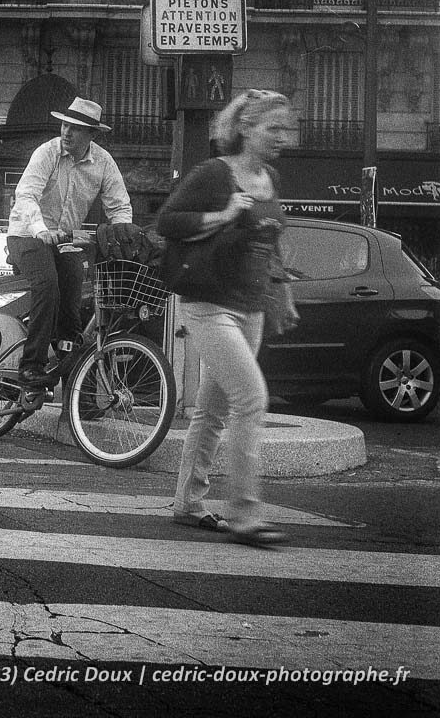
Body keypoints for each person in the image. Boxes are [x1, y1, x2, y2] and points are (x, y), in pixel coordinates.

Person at [156, 89, 298, 549]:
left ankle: (187, 504)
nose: (283, 137)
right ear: (245, 128)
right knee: (251, 398)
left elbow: (270, 243)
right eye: (273, 128)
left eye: (285, 128)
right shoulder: (216, 174)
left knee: (214, 409)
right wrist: (223, 213)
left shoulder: (271, 178)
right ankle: (245, 515)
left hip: (251, 306)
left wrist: (284, 293)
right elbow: (167, 221)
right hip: (208, 302)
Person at [6, 96, 137, 389]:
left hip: (63, 240)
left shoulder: (103, 162)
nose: (66, 132)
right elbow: (26, 195)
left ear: (92, 135)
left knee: (74, 295)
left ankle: (74, 378)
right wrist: (41, 230)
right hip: (26, 233)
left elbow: (119, 207)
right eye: (65, 125)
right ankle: (31, 366)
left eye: (75, 128)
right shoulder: (47, 153)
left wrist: (123, 236)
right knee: (48, 285)